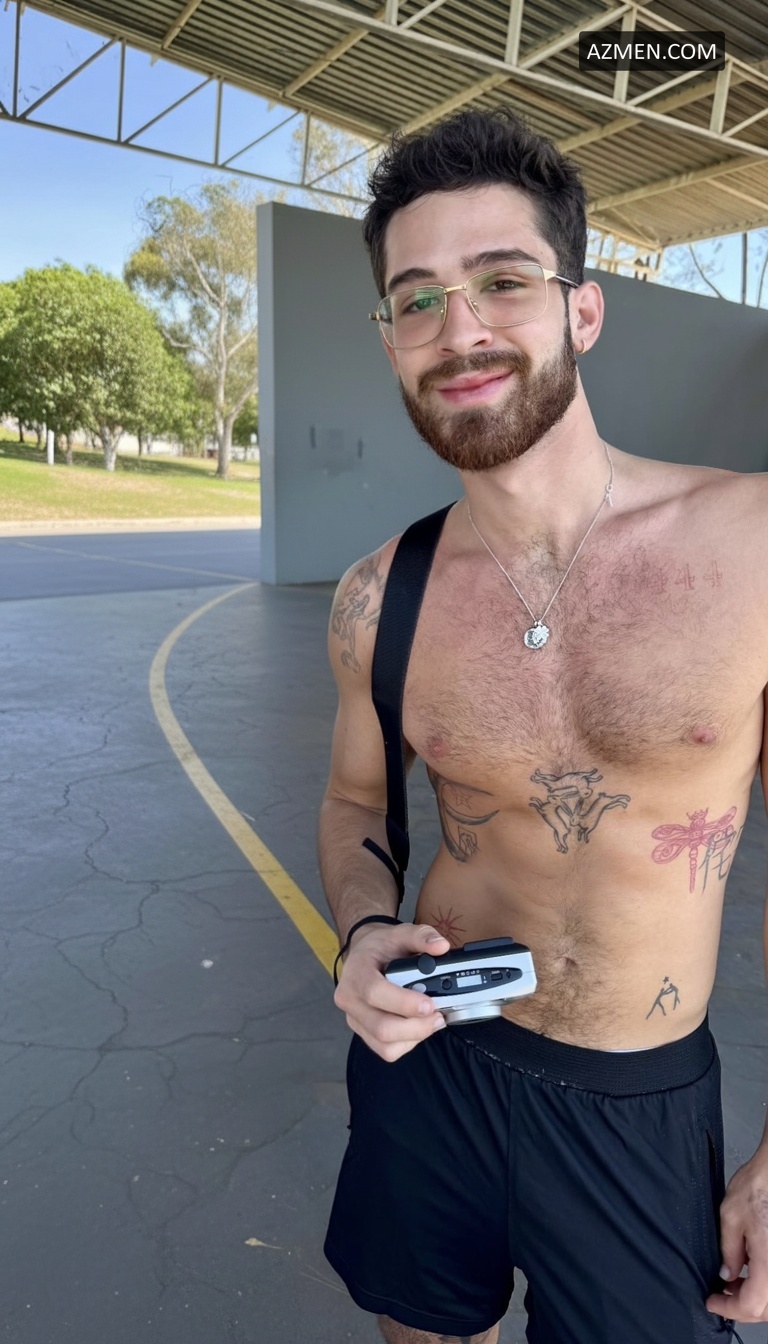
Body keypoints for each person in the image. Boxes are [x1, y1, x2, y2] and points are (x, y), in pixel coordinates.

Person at [317, 107, 768, 1344]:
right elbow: (355, 804)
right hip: (430, 1065)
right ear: (391, 342)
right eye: (416, 301)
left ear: (584, 310)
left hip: (637, 1097)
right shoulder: (377, 596)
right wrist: (362, 932)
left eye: (503, 281)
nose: (458, 330)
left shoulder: (750, 548)